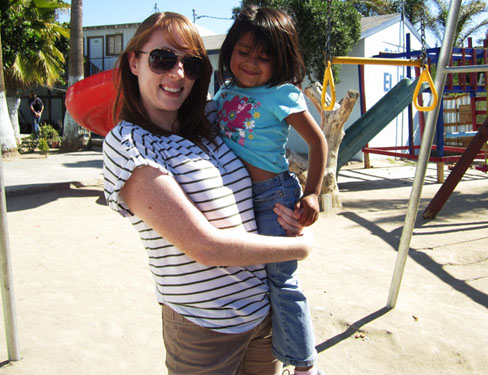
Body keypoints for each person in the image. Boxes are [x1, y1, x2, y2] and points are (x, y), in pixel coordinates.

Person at [102, 11, 313, 375]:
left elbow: (262, 174)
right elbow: (204, 246)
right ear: (134, 63)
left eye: (192, 64)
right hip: (204, 328)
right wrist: (301, 247)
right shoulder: (129, 143)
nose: (178, 73)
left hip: (262, 314)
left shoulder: (212, 122)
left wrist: (289, 213)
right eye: (163, 59)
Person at [213, 6, 328, 375]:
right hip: (236, 199)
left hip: (272, 198)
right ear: (230, 49)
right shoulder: (223, 92)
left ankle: (305, 365)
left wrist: (312, 193)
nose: (250, 63)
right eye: (243, 52)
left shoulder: (282, 94)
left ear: (280, 60)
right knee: (249, 278)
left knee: (281, 280)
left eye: (264, 56)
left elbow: (318, 142)